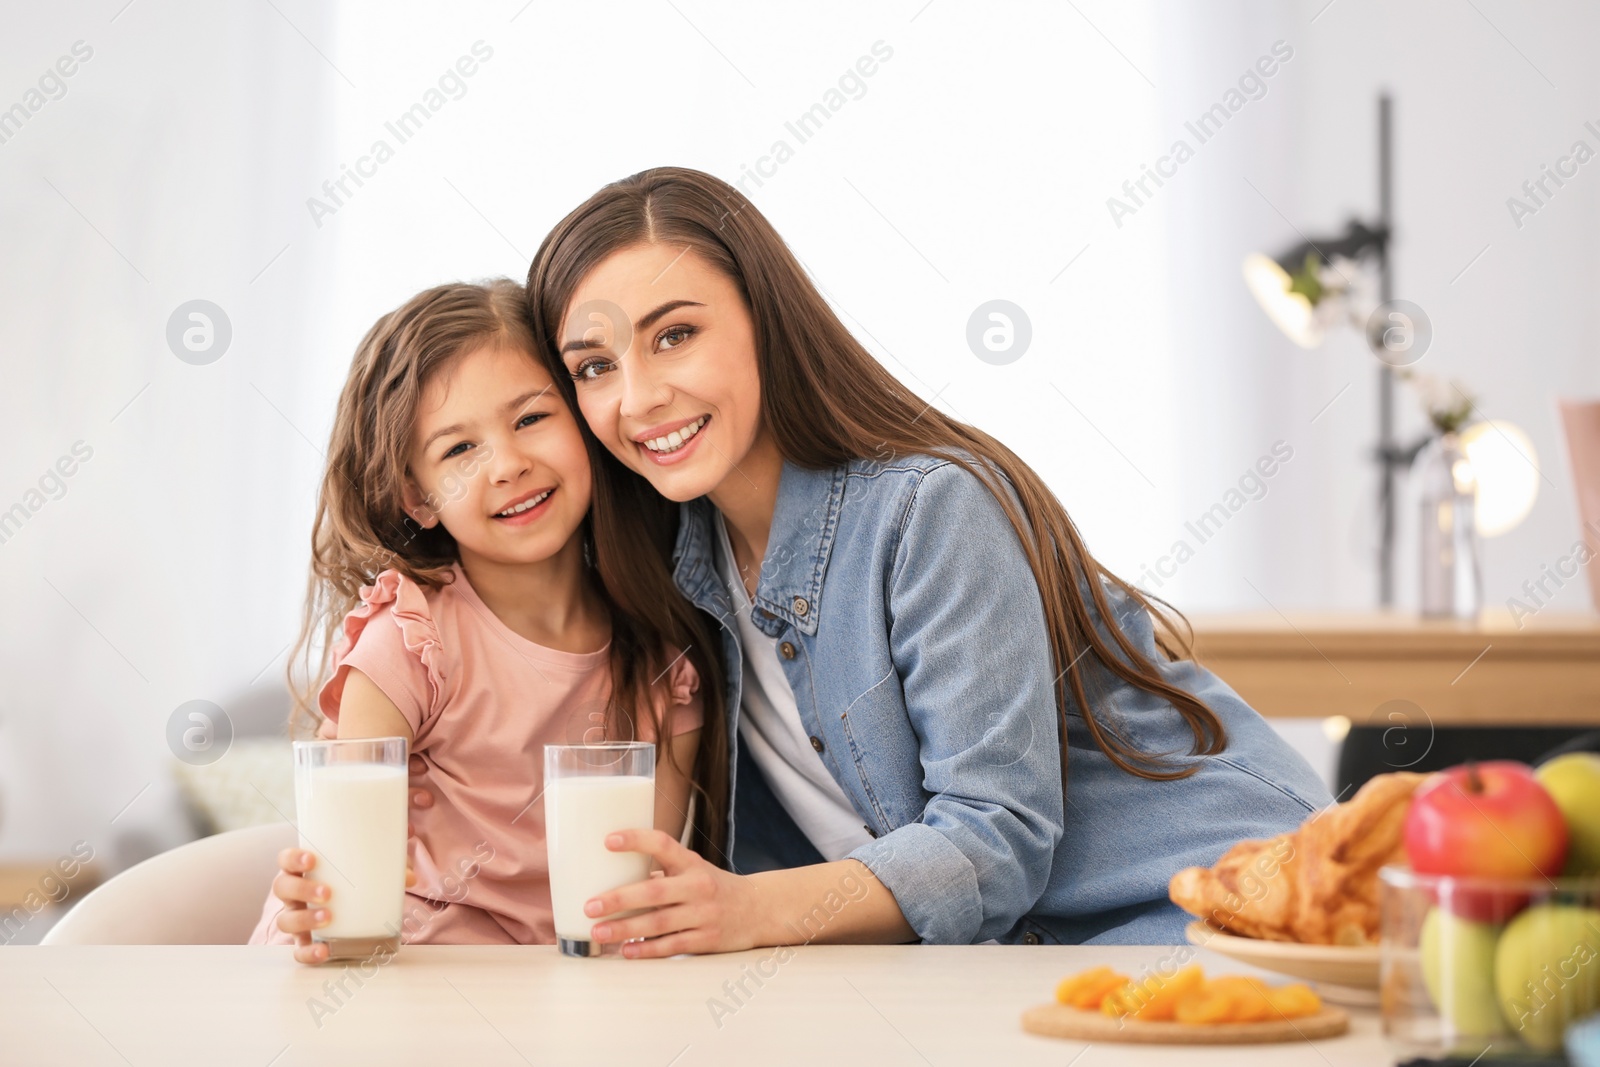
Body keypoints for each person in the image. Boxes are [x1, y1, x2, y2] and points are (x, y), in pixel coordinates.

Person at [518, 167, 1333, 955]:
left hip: (1224, 910)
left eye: (676, 335)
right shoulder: (675, 562)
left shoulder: (929, 509)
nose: (637, 397)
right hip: (1010, 958)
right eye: (595, 367)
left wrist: (747, 910)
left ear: (766, 320)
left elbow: (995, 837)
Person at [247, 280, 710, 962]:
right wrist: (318, 905)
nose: (509, 465)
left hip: (552, 1002)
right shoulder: (409, 644)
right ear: (419, 497)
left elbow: (630, 917)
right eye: (459, 450)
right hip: (394, 978)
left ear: (584, 420)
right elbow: (345, 895)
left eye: (530, 419)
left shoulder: (659, 668)